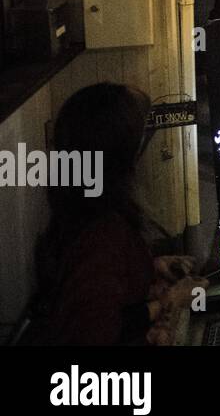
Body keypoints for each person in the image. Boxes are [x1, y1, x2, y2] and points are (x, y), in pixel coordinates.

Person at [30, 84, 207, 345]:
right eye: (138, 144)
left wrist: (151, 268)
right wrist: (168, 301)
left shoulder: (81, 210)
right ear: (120, 159)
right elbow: (91, 332)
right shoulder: (100, 239)